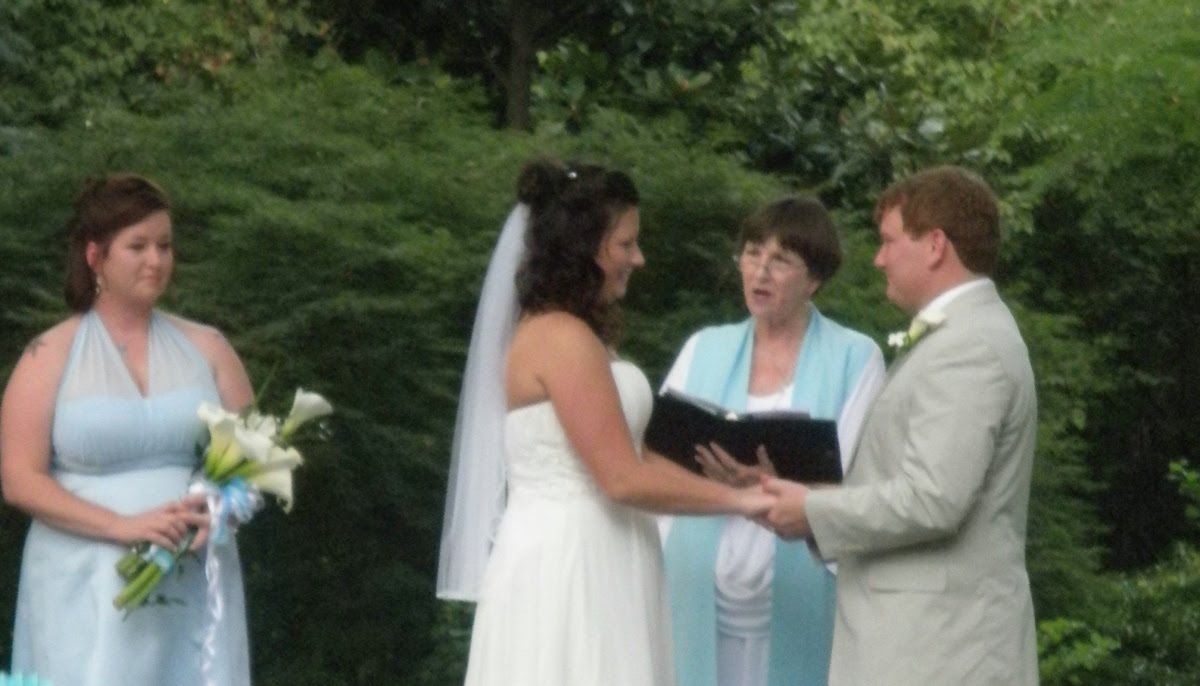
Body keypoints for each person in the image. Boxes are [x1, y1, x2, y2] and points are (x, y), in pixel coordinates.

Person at [436, 158, 773, 686]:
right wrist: (744, 504)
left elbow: (634, 456)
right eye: (625, 244)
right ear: (583, 247)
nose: (639, 258)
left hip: (608, 549)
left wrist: (730, 481)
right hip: (571, 563)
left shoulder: (577, 334)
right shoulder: (560, 338)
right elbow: (621, 478)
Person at [763, 166, 1039, 685]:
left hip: (940, 652)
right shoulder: (961, 336)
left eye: (889, 241)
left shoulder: (969, 347)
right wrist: (806, 500)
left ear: (935, 245)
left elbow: (934, 498)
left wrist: (813, 510)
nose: (879, 258)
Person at [1, 174, 254, 685]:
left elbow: (255, 456)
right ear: (96, 257)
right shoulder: (47, 356)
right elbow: (19, 479)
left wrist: (220, 509)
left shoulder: (209, 347)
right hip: (84, 577)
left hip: (189, 575)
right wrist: (120, 526)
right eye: (137, 246)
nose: (155, 260)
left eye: (164, 245)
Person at [658, 197, 885, 686]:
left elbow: (858, 488)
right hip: (697, 594)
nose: (760, 271)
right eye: (752, 253)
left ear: (815, 278)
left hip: (802, 599)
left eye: (780, 260)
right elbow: (659, 459)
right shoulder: (703, 348)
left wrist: (764, 483)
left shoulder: (855, 359)